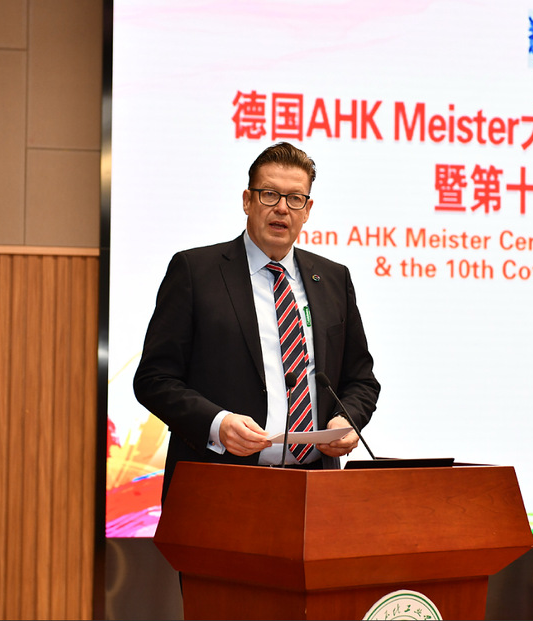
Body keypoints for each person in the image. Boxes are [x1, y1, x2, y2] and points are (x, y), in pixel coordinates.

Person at [134, 142, 380, 500]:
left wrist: (347, 420)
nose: (282, 208)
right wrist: (217, 424)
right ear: (247, 201)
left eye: (295, 198)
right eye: (269, 195)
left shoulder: (332, 279)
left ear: (307, 210)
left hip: (315, 490)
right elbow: (154, 379)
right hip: (221, 486)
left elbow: (360, 380)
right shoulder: (195, 272)